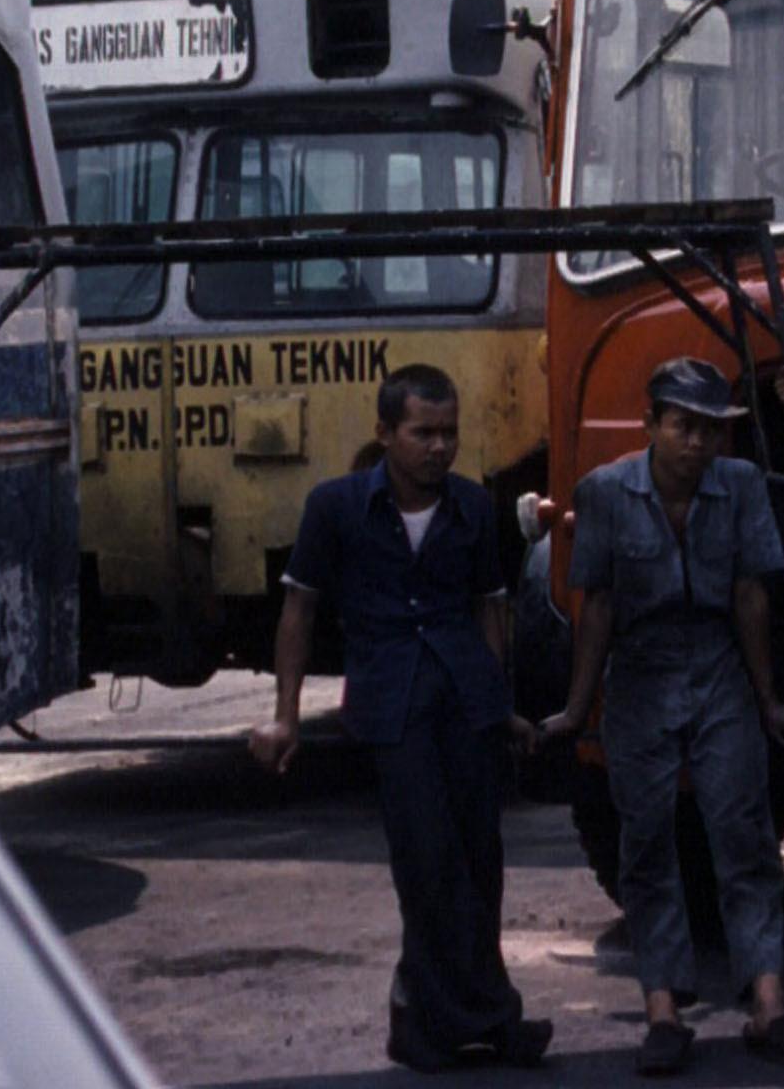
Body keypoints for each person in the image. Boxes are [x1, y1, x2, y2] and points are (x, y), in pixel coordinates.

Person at [251, 364, 551, 1075]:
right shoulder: (335, 507)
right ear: (385, 433)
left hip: (466, 704)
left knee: (480, 861)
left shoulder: (472, 506)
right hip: (392, 707)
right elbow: (299, 610)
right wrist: (285, 717)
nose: (439, 447)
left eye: (449, 433)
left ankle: (452, 1020)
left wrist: (500, 704)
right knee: (427, 862)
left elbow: (489, 607)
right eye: (423, 433)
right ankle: (454, 1021)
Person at [535, 359, 784, 1074]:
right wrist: (577, 707)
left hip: (720, 669)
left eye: (710, 430)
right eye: (683, 426)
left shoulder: (742, 485)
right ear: (651, 425)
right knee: (645, 843)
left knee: (744, 834)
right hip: (640, 674)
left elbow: (751, 597)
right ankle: (663, 1011)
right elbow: (597, 607)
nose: (697, 443)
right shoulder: (604, 492)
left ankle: (769, 1003)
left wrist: (767, 701)